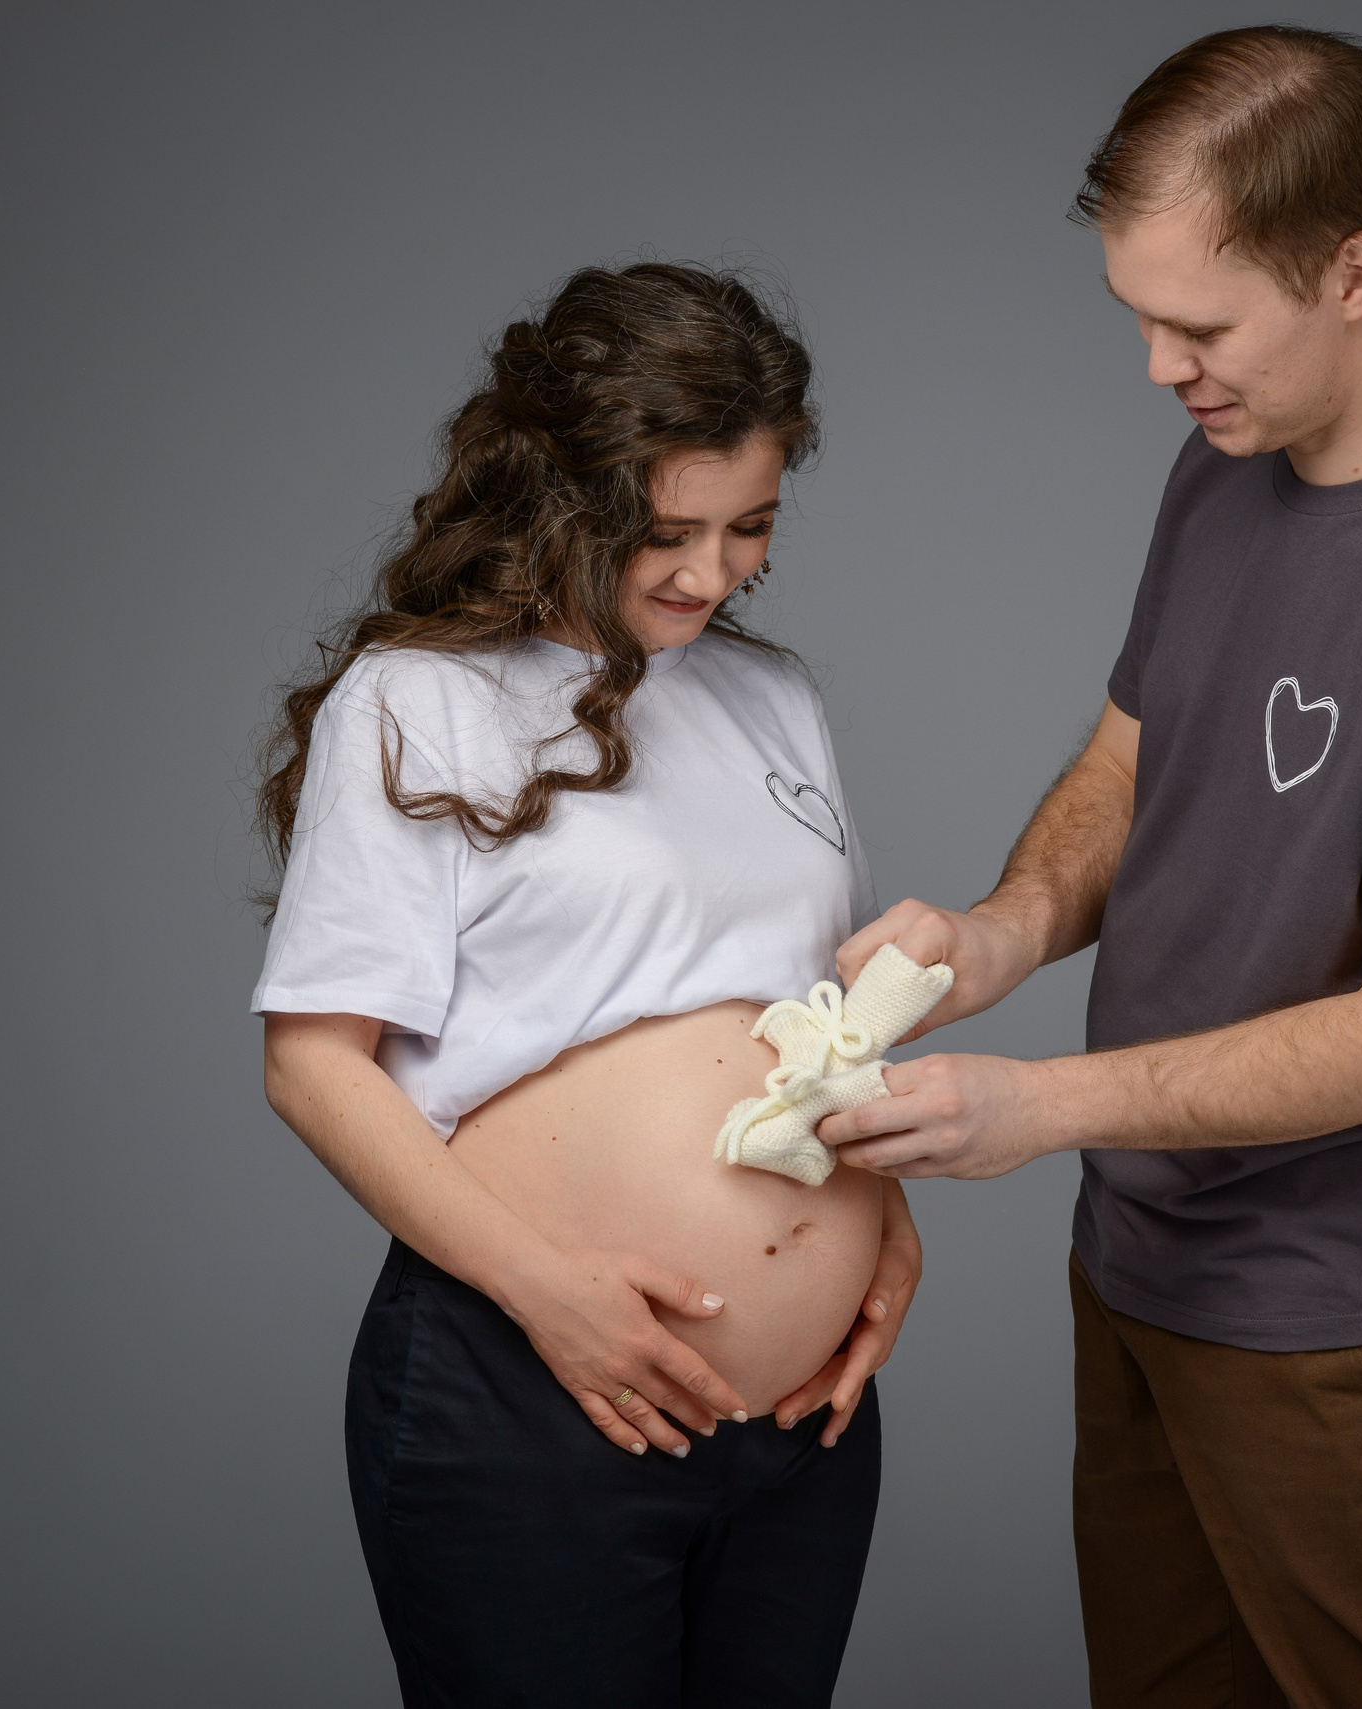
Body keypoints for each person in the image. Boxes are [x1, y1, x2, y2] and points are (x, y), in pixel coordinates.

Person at [817, 28, 1362, 1709]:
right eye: (1138, 318)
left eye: (1198, 324)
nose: (1158, 368)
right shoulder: (1226, 464)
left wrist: (1036, 1108)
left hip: (1346, 1331)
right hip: (1138, 1268)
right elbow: (1132, 760)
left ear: (1355, 268)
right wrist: (996, 934)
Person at [252, 263, 918, 1708]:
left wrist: (881, 1229)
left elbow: (806, 1025)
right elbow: (312, 1064)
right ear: (562, 491)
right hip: (536, 1385)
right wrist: (549, 1293)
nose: (710, 570)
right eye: (664, 531)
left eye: (751, 527)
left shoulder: (772, 695)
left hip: (799, 1431)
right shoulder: (422, 697)